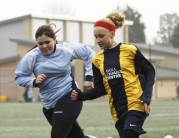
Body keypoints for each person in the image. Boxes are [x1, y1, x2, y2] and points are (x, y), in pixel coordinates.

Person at [71, 10, 155, 138]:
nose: (98, 40)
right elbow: (101, 88)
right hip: (117, 109)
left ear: (112, 33)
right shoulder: (97, 59)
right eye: (96, 37)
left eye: (101, 36)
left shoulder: (129, 50)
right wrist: (81, 96)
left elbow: (149, 71)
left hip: (136, 103)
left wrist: (146, 96)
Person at [14, 23, 97, 138]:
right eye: (40, 43)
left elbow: (90, 54)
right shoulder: (32, 56)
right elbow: (19, 77)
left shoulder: (66, 49)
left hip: (70, 95)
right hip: (49, 104)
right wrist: (34, 82)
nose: (44, 46)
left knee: (57, 135)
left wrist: (89, 77)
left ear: (54, 39)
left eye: (47, 42)